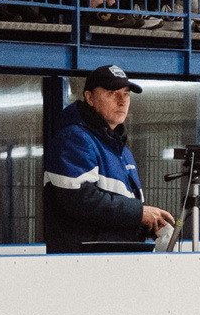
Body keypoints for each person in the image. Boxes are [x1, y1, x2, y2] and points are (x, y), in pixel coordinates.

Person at [41, 63, 172, 253]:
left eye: (126, 94)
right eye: (112, 93)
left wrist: (149, 224)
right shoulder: (74, 139)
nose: (122, 101)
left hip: (114, 262)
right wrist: (139, 213)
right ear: (90, 98)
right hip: (83, 265)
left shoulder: (122, 153)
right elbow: (79, 199)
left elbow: (114, 215)